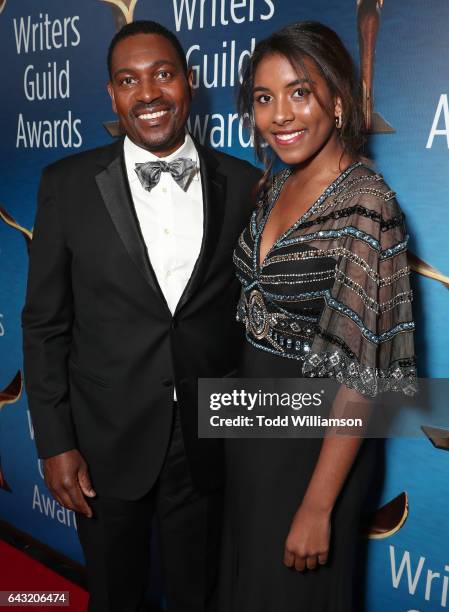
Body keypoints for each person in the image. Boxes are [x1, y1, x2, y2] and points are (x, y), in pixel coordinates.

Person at [21, 20, 260, 612]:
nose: (147, 94)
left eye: (162, 74)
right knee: (114, 595)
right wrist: (55, 442)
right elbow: (45, 324)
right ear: (111, 94)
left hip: (208, 440)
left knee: (199, 594)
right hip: (103, 441)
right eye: (129, 80)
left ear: (189, 82)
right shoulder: (66, 185)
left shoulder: (246, 183)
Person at [219, 21, 417, 611]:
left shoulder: (367, 203)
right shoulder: (278, 180)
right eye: (263, 97)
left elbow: (363, 378)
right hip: (255, 425)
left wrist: (318, 506)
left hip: (316, 448)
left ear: (337, 99)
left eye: (299, 92)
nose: (280, 113)